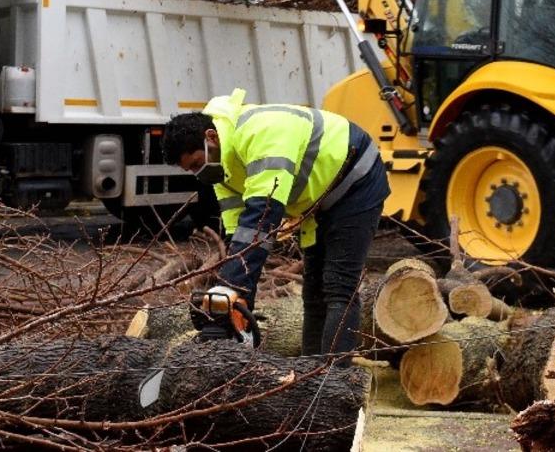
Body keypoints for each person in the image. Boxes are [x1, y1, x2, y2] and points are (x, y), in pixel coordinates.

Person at [162, 88, 389, 361]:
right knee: (313, 289)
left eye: (197, 163)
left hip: (355, 179)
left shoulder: (260, 133)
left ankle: (334, 382)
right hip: (317, 199)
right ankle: (307, 374)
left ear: (210, 138)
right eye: (191, 170)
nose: (198, 173)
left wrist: (230, 287)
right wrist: (238, 296)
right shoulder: (223, 170)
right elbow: (241, 240)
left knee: (339, 284)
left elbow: (263, 216)